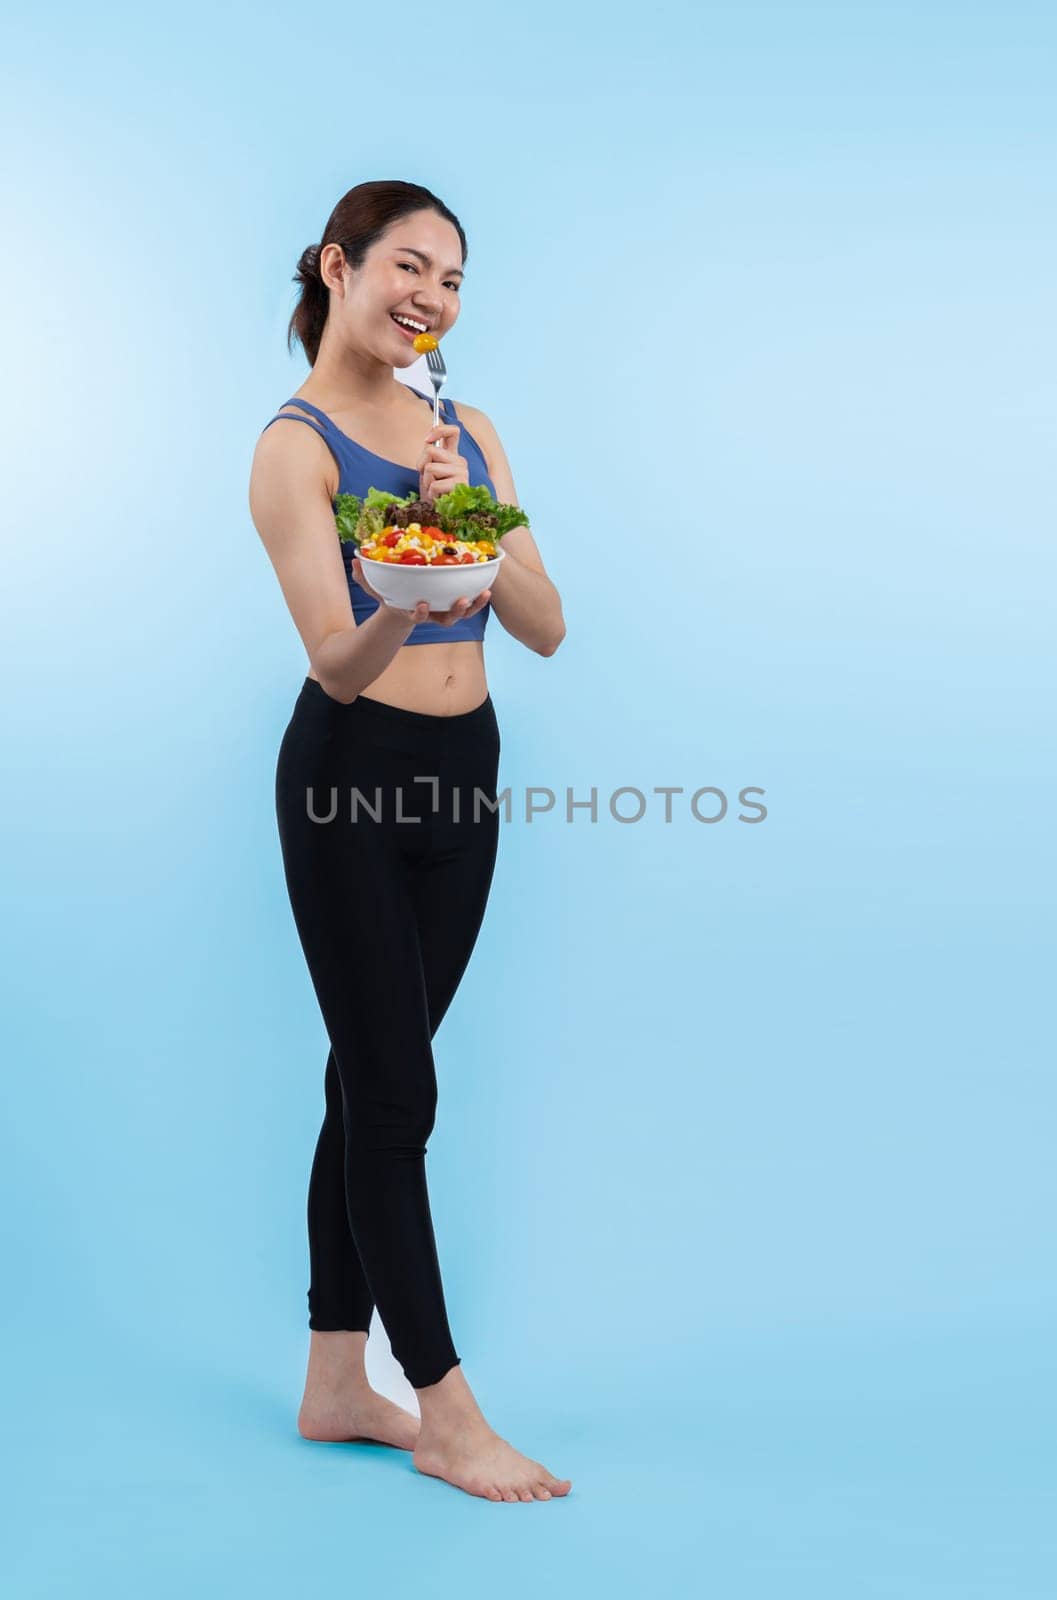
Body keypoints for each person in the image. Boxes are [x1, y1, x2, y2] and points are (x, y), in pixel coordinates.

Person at [248, 181, 570, 1503]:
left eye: (451, 279)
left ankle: (336, 1384)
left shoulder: (470, 433)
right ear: (340, 267)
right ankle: (441, 1407)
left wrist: (470, 523)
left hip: (466, 775)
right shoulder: (295, 446)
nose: (430, 297)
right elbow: (336, 661)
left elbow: (546, 626)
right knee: (395, 1096)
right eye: (406, 268)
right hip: (351, 778)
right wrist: (400, 572)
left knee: (370, 1077)